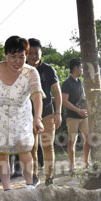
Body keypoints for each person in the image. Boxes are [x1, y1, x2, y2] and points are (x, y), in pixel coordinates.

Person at [0, 36, 44, 191]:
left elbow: (37, 95)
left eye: (21, 57)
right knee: (2, 152)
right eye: (13, 57)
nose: (17, 61)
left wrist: (37, 118)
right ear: (6, 55)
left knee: (25, 148)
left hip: (22, 114)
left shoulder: (31, 72)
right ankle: (7, 188)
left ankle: (29, 185)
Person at [27, 38, 62, 186]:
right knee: (32, 147)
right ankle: (34, 177)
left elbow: (57, 92)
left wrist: (58, 113)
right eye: (31, 53)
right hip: (27, 114)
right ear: (26, 54)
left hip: (47, 113)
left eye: (37, 53)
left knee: (47, 145)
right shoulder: (22, 69)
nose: (34, 56)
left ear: (41, 53)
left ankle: (49, 177)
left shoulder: (48, 69)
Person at [62, 58, 89, 173]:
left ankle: (86, 163)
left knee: (88, 138)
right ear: (76, 68)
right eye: (81, 67)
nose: (82, 70)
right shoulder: (67, 83)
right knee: (72, 141)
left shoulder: (81, 83)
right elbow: (64, 101)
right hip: (72, 116)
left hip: (84, 116)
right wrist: (78, 111)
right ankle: (72, 167)